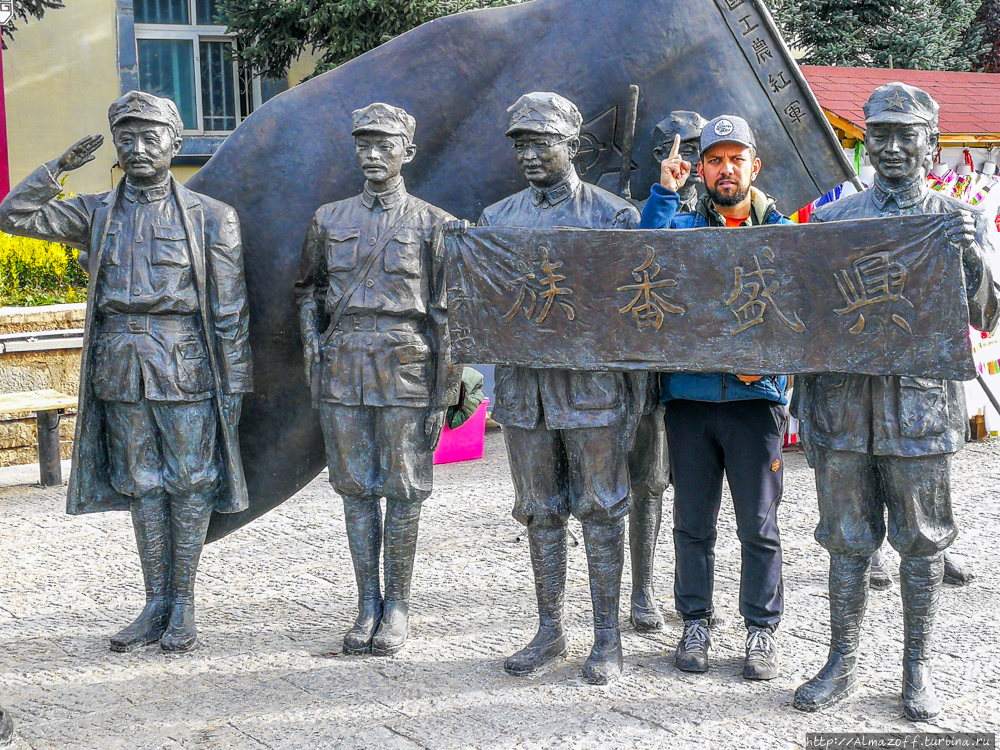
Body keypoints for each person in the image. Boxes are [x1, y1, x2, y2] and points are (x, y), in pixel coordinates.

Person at [0, 91, 253, 653]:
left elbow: (232, 310)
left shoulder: (213, 219)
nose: (138, 148)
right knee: (141, 483)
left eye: (151, 136)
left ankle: (183, 602)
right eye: (127, 138)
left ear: (175, 144)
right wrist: (59, 168)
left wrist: (234, 385)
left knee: (189, 481)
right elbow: (13, 214)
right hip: (119, 365)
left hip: (185, 362)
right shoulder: (96, 212)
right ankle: (154, 602)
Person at [791, 83, 998, 720]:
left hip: (919, 409)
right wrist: (806, 408)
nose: (891, 147)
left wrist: (970, 253)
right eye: (879, 134)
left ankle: (917, 666)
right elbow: (803, 319)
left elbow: (986, 315)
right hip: (845, 408)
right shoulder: (831, 222)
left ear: (930, 143)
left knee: (922, 541)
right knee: (847, 540)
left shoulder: (952, 218)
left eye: (906, 134)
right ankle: (841, 659)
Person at [473, 92, 642, 685]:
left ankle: (607, 638)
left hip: (592, 390)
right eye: (521, 143)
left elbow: (633, 318)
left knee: (600, 508)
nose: (530, 153)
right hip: (526, 391)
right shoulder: (497, 220)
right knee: (540, 509)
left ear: (573, 146)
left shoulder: (614, 216)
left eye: (542, 141)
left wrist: (632, 396)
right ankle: (550, 629)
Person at [295, 103, 460, 656]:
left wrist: (443, 393)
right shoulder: (329, 219)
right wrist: (312, 342)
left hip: (406, 366)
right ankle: (366, 603)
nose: (371, 154)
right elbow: (309, 292)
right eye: (363, 144)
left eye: (384, 145)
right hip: (344, 368)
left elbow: (447, 315)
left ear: (407, 152)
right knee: (356, 487)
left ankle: (400, 606)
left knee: (405, 488)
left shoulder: (437, 225)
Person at [639, 115, 789, 680]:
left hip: (756, 404)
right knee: (693, 521)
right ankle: (696, 621)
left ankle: (760, 629)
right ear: (700, 169)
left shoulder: (780, 229)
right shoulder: (680, 224)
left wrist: (772, 367)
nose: (726, 170)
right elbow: (640, 260)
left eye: (736, 159)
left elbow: (806, 316)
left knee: (759, 522)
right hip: (692, 399)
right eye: (714, 160)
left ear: (755, 165)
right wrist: (663, 191)